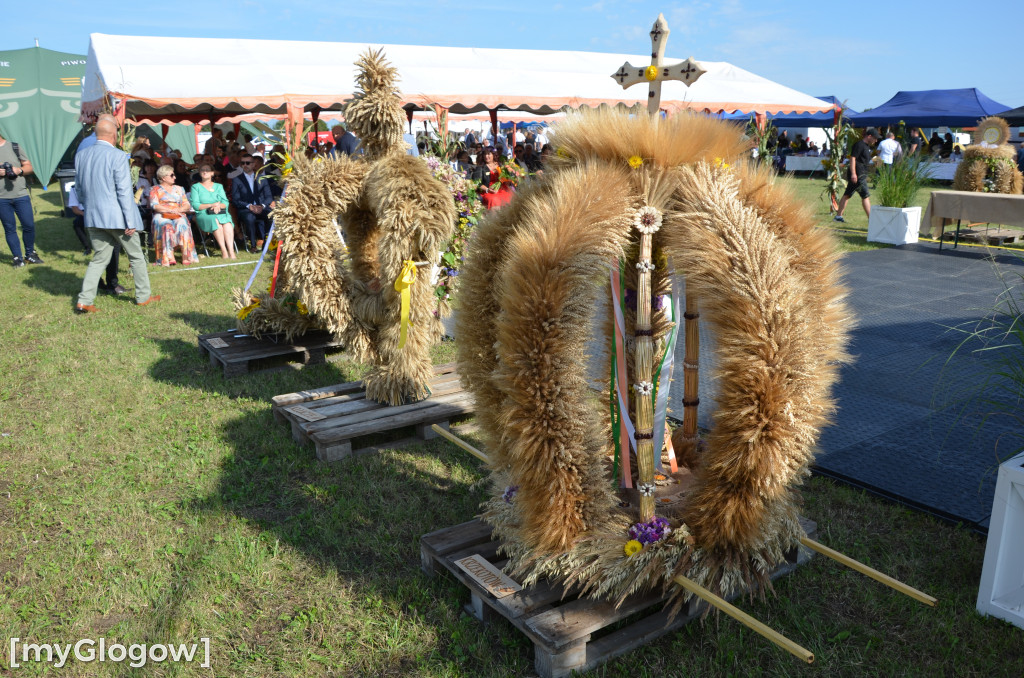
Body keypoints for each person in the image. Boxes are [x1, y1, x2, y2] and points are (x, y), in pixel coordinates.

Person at [73, 117, 158, 313]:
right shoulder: (119, 156)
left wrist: (90, 208)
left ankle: (84, 300)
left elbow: (79, 188)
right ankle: (143, 297)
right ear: (114, 136)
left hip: (93, 217)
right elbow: (124, 192)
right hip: (118, 217)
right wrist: (130, 220)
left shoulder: (81, 155)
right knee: (136, 256)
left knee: (99, 258)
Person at [67, 183, 125, 293]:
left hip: (100, 216)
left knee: (106, 251)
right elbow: (75, 209)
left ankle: (104, 284)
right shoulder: (76, 188)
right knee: (106, 251)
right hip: (95, 216)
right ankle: (108, 284)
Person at [0, 131, 42, 268]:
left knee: (28, 225)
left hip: (21, 195)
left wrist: (19, 170)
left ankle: (30, 254)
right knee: (9, 228)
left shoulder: (14, 147)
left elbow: (29, 167)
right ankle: (17, 258)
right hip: (2, 198)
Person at [150, 164, 198, 266]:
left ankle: (186, 255)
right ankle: (168, 256)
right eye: (172, 175)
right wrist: (169, 210)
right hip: (162, 213)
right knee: (165, 224)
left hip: (178, 212)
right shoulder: (154, 189)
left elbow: (186, 204)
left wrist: (179, 209)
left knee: (182, 223)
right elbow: (154, 205)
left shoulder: (179, 189)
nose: (174, 177)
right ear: (163, 177)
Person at [190, 164, 236, 259]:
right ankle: (224, 251)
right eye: (202, 170)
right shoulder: (195, 187)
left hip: (220, 211)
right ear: (199, 173)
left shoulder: (218, 186)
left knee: (227, 223)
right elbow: (196, 205)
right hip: (204, 213)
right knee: (216, 222)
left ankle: (231, 252)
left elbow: (225, 202)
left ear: (212, 173)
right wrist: (211, 205)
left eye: (207, 170)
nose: (205, 172)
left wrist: (219, 205)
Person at [833, 127, 878, 223]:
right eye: (875, 138)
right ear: (869, 136)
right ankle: (872, 220)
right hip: (858, 175)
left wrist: (873, 164)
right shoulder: (859, 145)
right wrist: (853, 174)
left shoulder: (866, 147)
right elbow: (853, 159)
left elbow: (862, 161)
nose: (876, 140)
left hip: (860, 174)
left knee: (847, 195)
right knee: (865, 196)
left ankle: (838, 217)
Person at [230, 153, 273, 249]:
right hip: (245, 209)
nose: (245, 165)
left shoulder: (262, 178)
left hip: (261, 207)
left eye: (248, 163)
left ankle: (267, 244)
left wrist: (262, 206)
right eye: (242, 163)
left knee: (271, 215)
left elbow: (269, 197)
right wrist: (249, 206)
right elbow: (235, 200)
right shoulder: (237, 179)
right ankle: (253, 245)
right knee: (250, 218)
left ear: (253, 164)